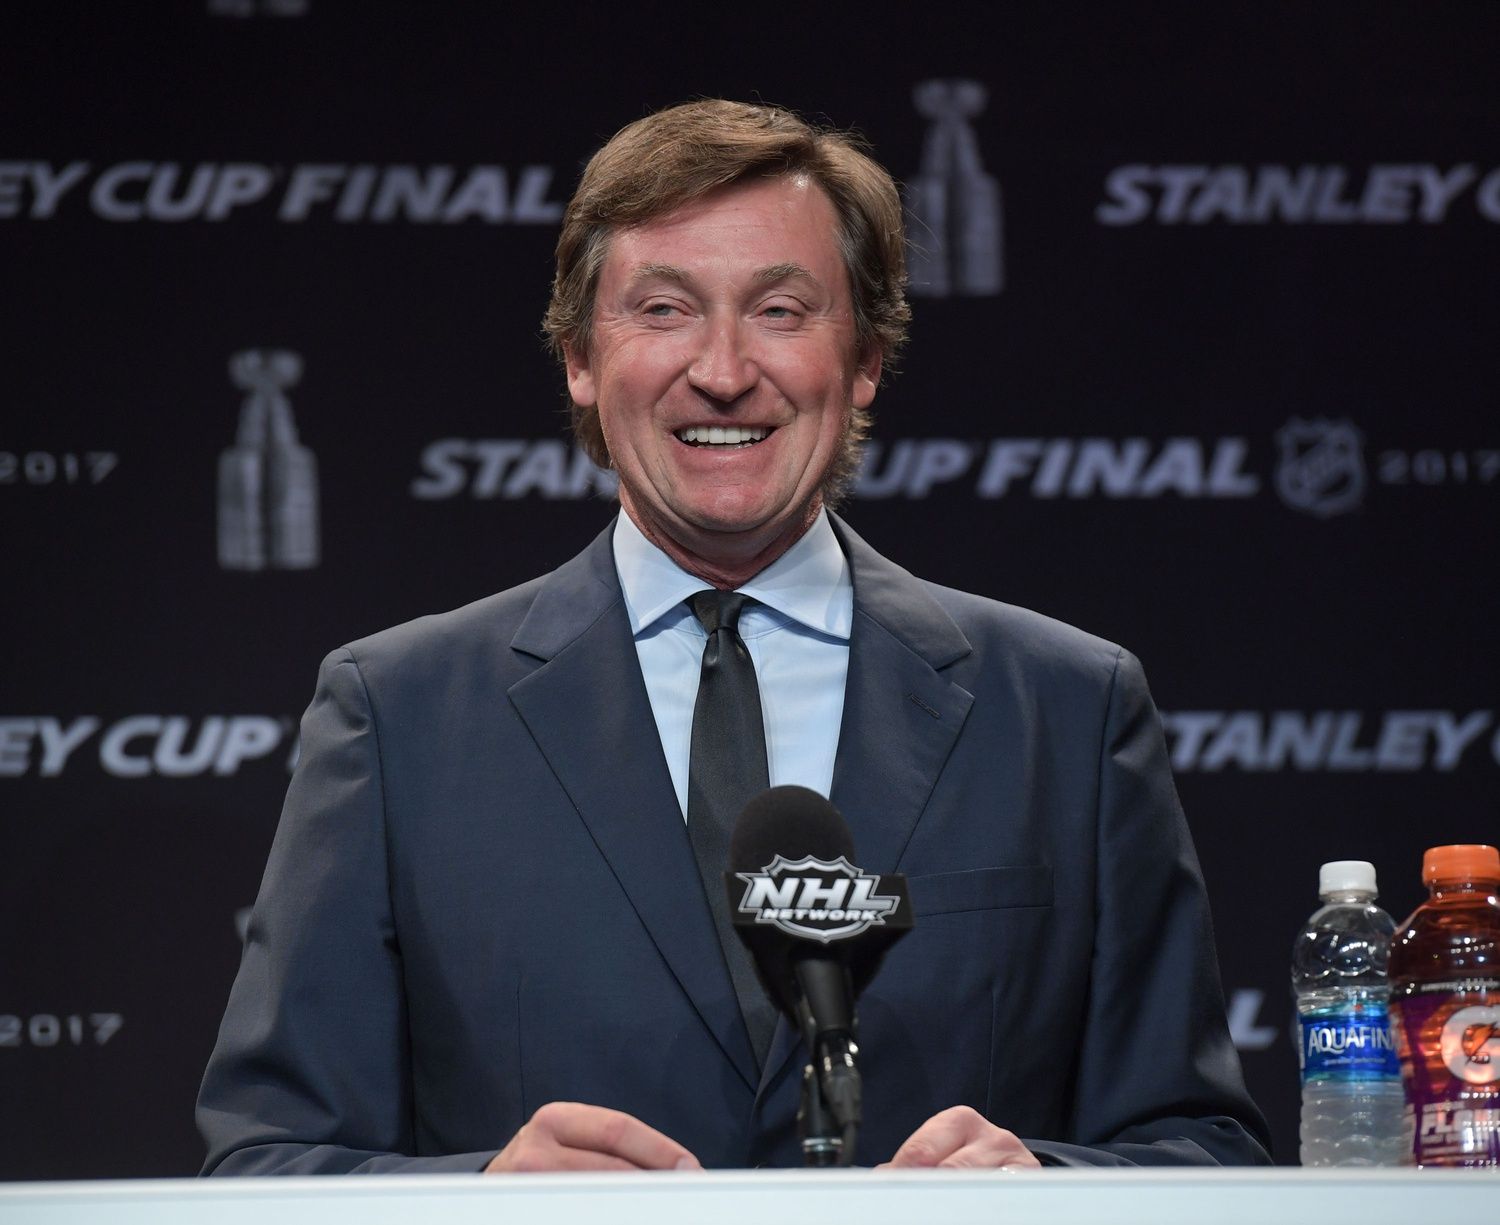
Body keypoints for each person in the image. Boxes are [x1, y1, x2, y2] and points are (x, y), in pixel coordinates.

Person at [197, 99, 1271, 1173]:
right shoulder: (399, 718)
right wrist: (479, 1195)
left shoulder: (1067, 712)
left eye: (781, 309)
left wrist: (1045, 1187)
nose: (721, 369)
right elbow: (262, 1163)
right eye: (663, 309)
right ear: (579, 357)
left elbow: (1203, 1147)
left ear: (863, 361)